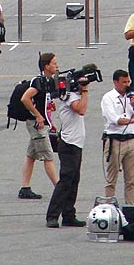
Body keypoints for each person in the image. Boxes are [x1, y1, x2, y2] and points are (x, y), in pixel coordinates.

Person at [44, 65, 88, 229]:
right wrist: (85, 91)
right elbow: (81, 110)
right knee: (65, 181)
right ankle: (52, 215)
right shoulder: (68, 96)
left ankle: (69, 214)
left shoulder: (73, 94)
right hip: (69, 143)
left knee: (74, 181)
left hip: (76, 143)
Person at [17, 53, 61, 201]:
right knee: (48, 155)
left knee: (31, 156)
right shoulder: (39, 81)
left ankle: (25, 187)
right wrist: (37, 115)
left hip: (41, 123)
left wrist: (50, 121)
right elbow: (25, 98)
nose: (57, 66)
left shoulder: (47, 81)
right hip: (36, 124)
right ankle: (59, 188)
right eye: (54, 63)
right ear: (46, 66)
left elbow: (45, 105)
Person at [100, 70, 134, 203]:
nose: (127, 84)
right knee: (111, 179)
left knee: (130, 180)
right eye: (124, 82)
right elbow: (115, 119)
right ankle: (108, 207)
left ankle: (131, 208)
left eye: (128, 81)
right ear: (115, 82)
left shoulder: (131, 97)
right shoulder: (108, 98)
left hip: (131, 140)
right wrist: (131, 120)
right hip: (115, 140)